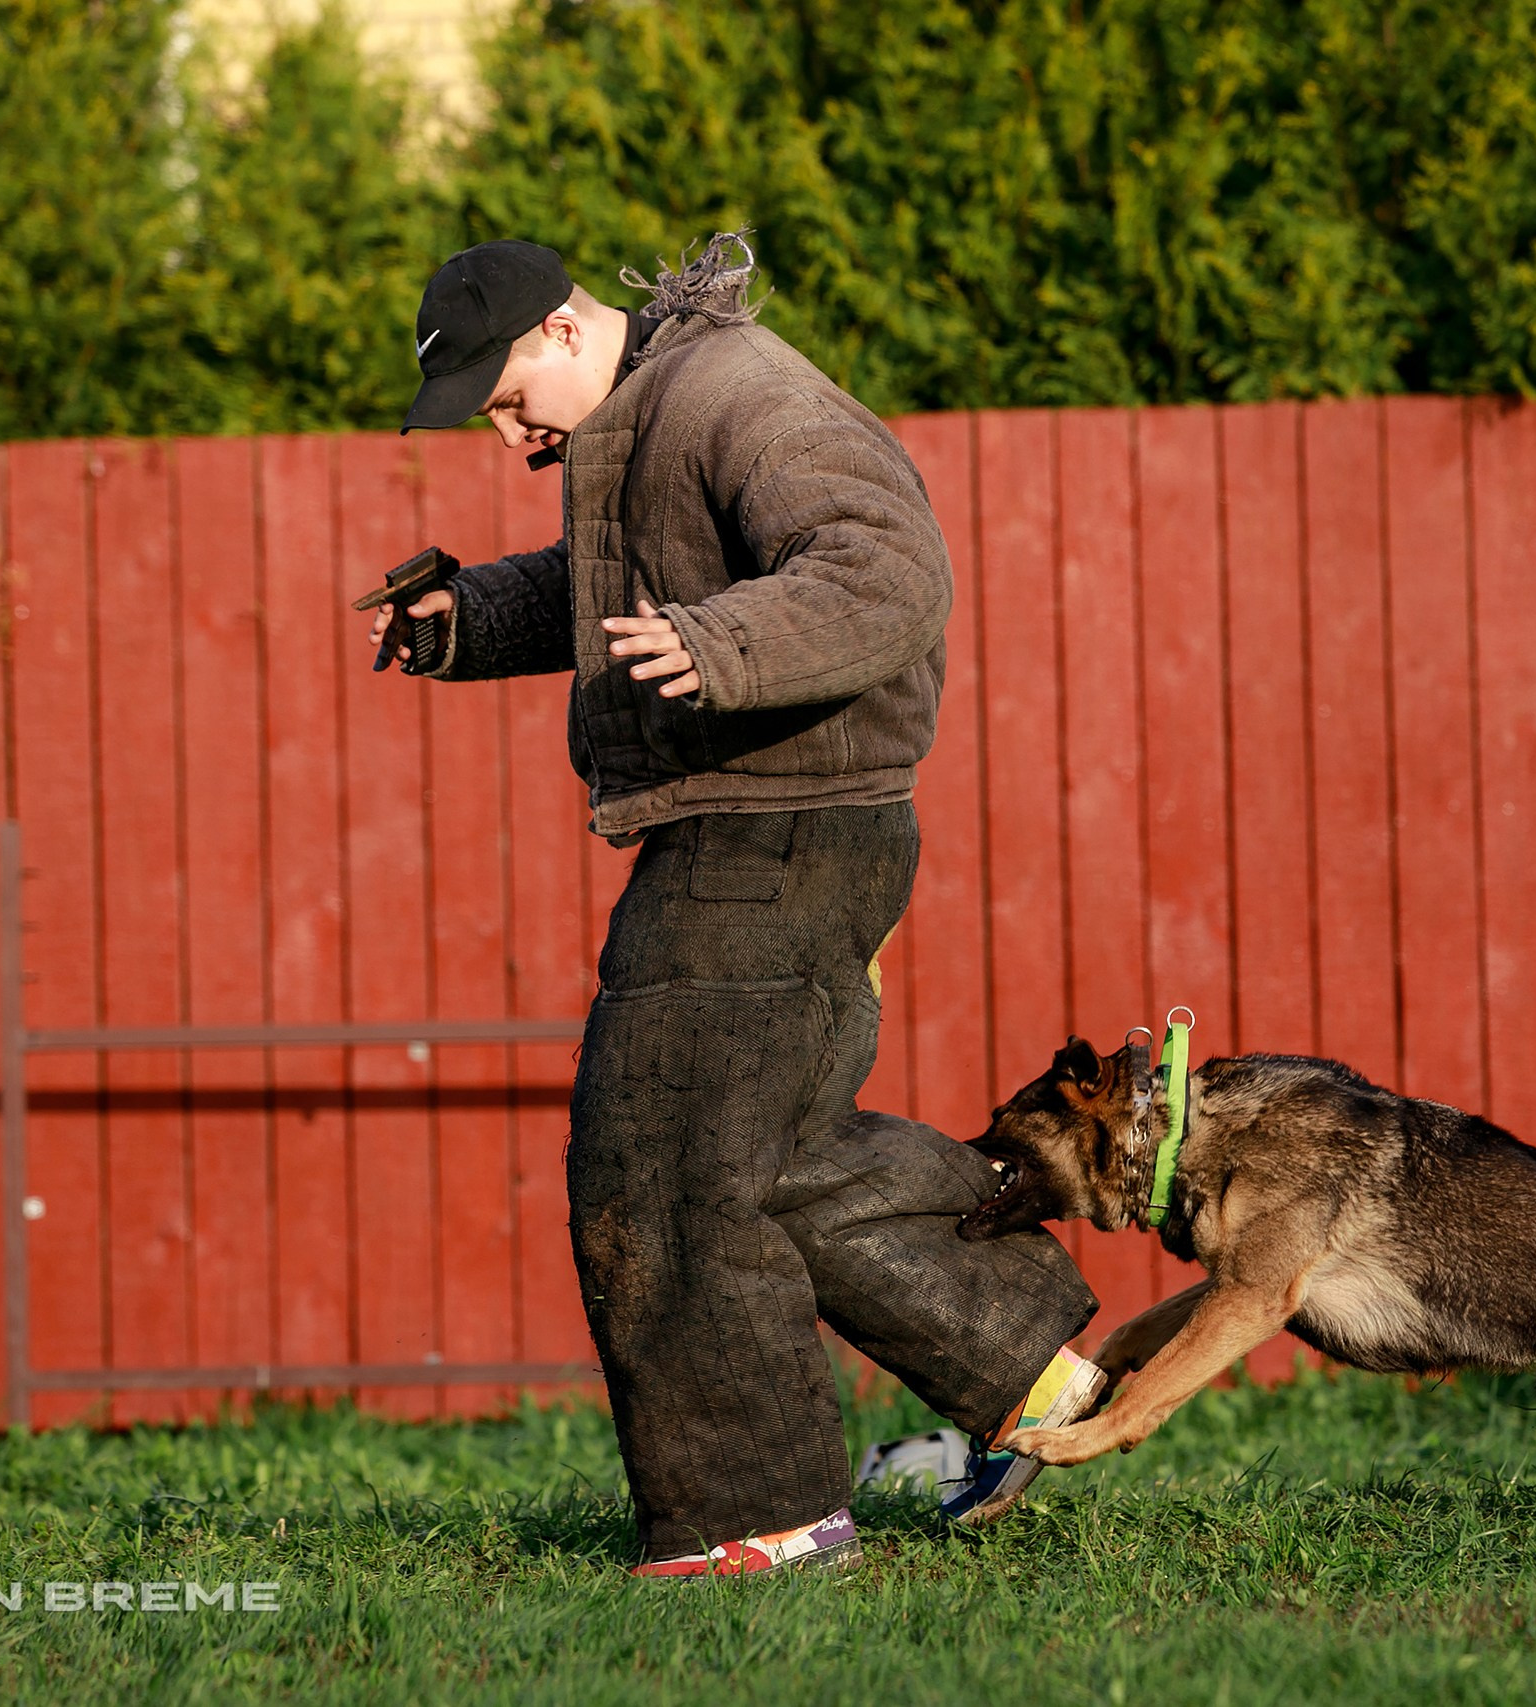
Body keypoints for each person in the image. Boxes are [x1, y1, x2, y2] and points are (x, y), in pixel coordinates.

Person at [368, 233, 1105, 1577]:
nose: (503, 423)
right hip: (772, 832)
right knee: (757, 1153)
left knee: (656, 1167)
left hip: (776, 833)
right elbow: (613, 599)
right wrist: (467, 619)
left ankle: (758, 1521)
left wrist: (720, 648)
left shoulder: (737, 398)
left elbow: (886, 571)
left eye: (502, 392)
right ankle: (1026, 1365)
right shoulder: (653, 413)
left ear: (566, 329)